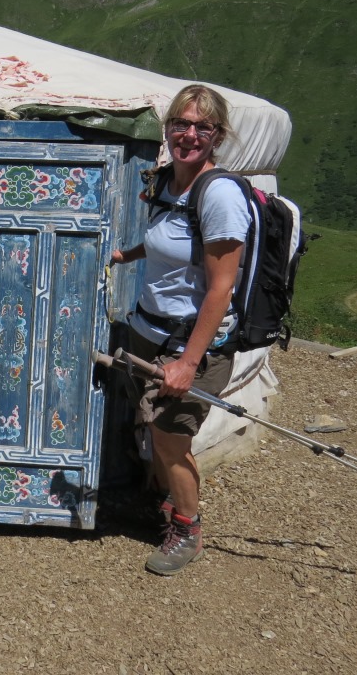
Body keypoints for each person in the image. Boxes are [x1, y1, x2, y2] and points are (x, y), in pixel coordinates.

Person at [110, 84, 251, 576]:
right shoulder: (169, 182)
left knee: (171, 440)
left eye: (202, 127)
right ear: (167, 128)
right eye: (181, 124)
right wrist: (127, 254)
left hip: (192, 345)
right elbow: (169, 241)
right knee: (155, 429)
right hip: (150, 331)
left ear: (219, 136)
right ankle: (165, 501)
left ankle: (187, 530)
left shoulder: (220, 195)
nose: (189, 135)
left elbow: (221, 288)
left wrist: (189, 362)